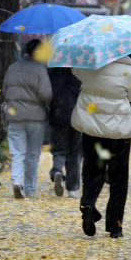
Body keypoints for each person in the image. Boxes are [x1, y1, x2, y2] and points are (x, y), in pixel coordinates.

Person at [71, 55, 131, 238]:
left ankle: (88, 203)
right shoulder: (127, 70)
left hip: (92, 128)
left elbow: (75, 71)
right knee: (119, 176)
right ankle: (115, 225)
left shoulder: (89, 65)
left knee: (92, 169)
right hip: (118, 132)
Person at [3, 39, 53, 199]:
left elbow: (5, 90)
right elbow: (46, 95)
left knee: (17, 152)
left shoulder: (12, 67)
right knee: (32, 154)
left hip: (15, 115)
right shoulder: (40, 69)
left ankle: (17, 182)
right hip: (36, 118)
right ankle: (30, 189)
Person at [47, 67, 82, 198]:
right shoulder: (78, 75)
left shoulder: (53, 75)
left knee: (59, 150)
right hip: (75, 118)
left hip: (58, 117)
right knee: (75, 152)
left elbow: (47, 95)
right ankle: (72, 188)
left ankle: (57, 171)